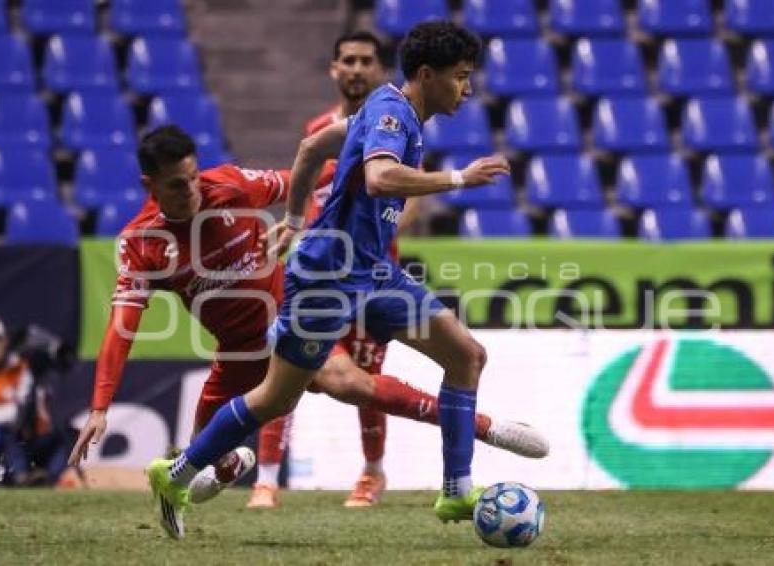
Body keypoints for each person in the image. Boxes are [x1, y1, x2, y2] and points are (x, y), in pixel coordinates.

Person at [73, 126, 545, 534]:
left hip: (291, 315)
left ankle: (486, 427)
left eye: (194, 177)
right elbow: (122, 327)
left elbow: (304, 176)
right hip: (236, 353)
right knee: (205, 460)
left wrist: (356, 167)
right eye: (178, 186)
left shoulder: (232, 185)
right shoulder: (142, 245)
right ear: (149, 184)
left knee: (348, 382)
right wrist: (99, 407)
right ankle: (216, 469)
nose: (192, 191)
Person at [147, 22, 518, 539]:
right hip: (328, 275)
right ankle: (178, 472)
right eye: (461, 77)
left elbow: (309, 149)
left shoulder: (386, 109)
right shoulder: (391, 113)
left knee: (466, 355)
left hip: (370, 270)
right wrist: (459, 178)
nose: (468, 88)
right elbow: (380, 177)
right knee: (275, 399)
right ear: (428, 75)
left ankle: (457, 492)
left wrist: (296, 220)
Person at [251, 30, 394, 509]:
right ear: (334, 69)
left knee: (368, 385)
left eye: (365, 61)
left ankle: (373, 472)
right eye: (347, 60)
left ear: (379, 70)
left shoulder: (392, 127)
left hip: (372, 276)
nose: (355, 68)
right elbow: (305, 189)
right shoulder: (316, 131)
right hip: (319, 277)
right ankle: (266, 480)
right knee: (286, 371)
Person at [0, 314, 73, 487]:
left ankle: (49, 480)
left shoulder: (20, 367)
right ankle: (18, 476)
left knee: (66, 435)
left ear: (4, 340)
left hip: (18, 438)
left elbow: (60, 357)